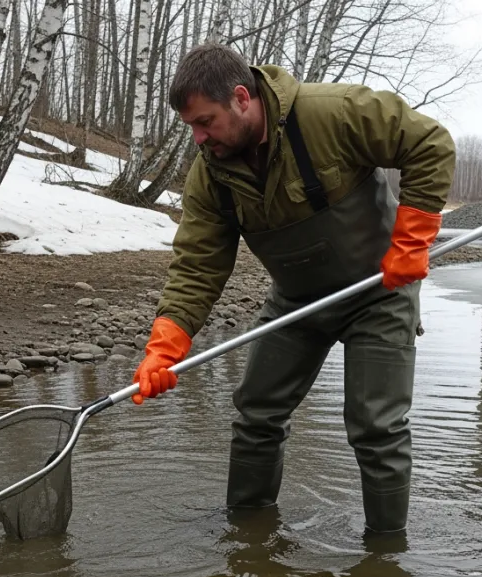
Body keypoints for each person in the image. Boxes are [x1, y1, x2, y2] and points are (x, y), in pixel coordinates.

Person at [130, 43, 456, 535]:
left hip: (380, 292)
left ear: (241, 98)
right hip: (298, 301)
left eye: (205, 121)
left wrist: (412, 241)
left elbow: (430, 144)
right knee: (256, 411)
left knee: (376, 427)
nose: (198, 138)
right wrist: (166, 345)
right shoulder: (212, 174)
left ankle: (386, 560)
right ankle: (248, 535)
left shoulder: (333, 113)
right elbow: (198, 262)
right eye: (191, 126)